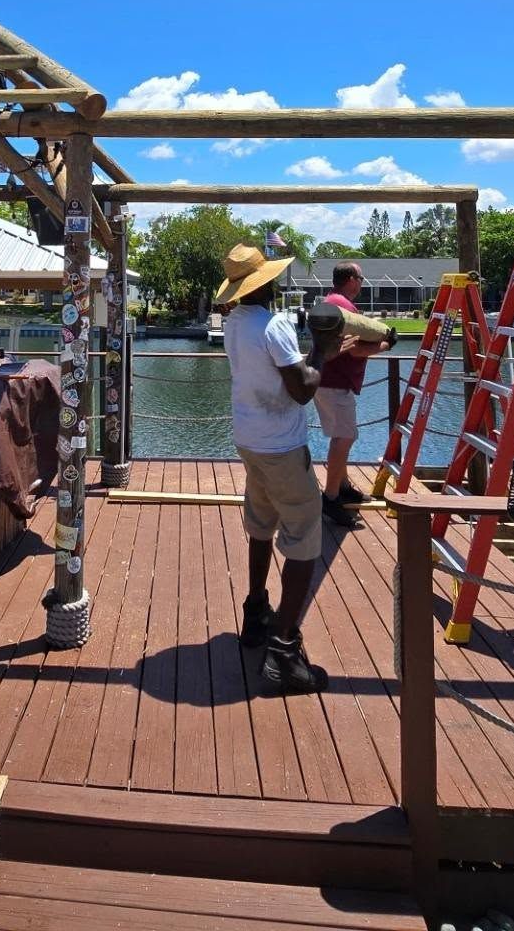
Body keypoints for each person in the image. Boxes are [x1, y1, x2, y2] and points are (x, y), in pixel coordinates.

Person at [218, 243, 349, 695]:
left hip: (249, 439)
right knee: (303, 538)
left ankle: (256, 611)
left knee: (260, 524)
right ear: (268, 282)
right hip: (282, 445)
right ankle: (284, 649)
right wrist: (323, 350)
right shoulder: (274, 326)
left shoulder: (233, 322)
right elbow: (303, 390)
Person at [316, 263, 392, 530]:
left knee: (341, 435)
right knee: (345, 437)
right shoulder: (345, 308)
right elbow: (357, 351)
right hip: (336, 383)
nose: (361, 283)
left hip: (326, 381)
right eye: (360, 278)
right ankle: (331, 496)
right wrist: (385, 344)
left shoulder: (331, 302)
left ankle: (344, 486)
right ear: (350, 279)